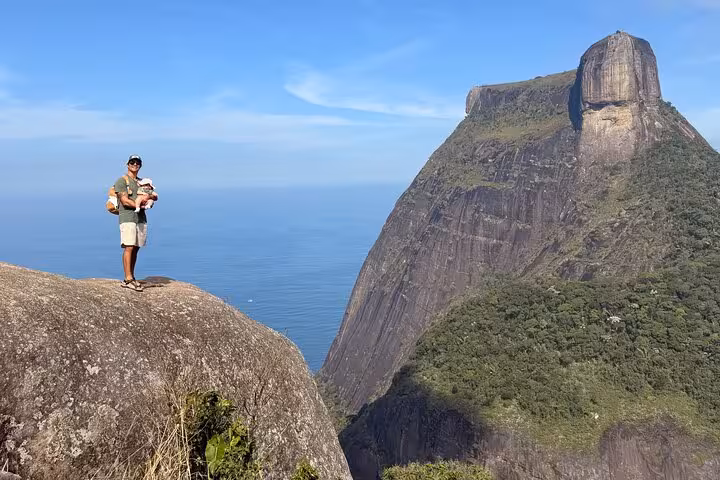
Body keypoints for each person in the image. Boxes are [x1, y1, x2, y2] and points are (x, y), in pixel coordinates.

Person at [114, 155, 158, 291]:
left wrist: (149, 198)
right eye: (132, 162)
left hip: (140, 218)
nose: (135, 165)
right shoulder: (122, 181)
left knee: (136, 248)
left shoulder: (142, 182)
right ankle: (127, 279)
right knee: (129, 247)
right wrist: (140, 205)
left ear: (140, 165)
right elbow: (124, 200)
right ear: (127, 164)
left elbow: (154, 195)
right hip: (127, 218)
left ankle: (131, 276)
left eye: (137, 163)